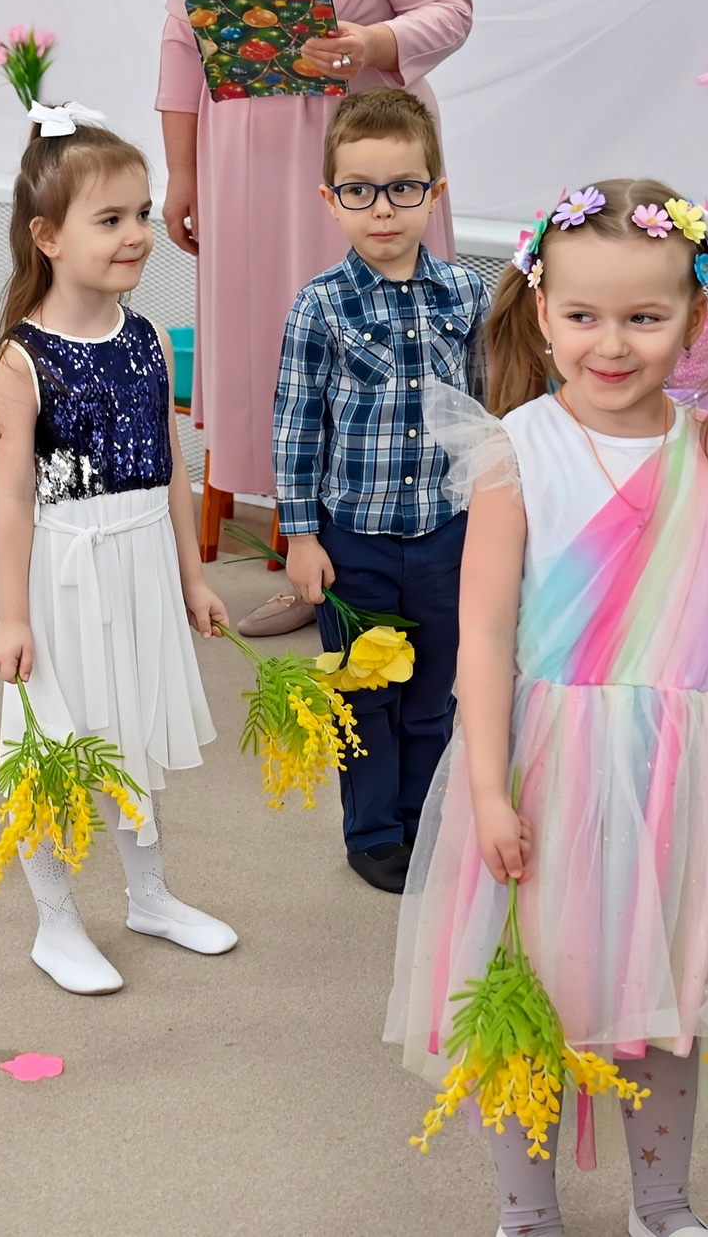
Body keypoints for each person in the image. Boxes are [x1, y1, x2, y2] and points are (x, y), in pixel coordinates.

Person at [388, 181, 708, 1237]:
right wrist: (487, 788)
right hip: (553, 767)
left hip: (694, 772)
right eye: (582, 314)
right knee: (532, 990)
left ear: (696, 315)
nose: (612, 343)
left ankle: (662, 1202)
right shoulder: (517, 449)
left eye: (644, 315)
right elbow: (483, 634)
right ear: (542, 311)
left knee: (671, 992)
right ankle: (526, 1211)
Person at [155, 0, 473, 639]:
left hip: (356, 159)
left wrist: (370, 41)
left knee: (369, 357)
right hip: (240, 166)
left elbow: (451, 10)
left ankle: (399, 559)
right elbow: (179, 40)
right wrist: (182, 175)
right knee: (278, 356)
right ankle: (306, 556)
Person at [0, 108, 236, 996]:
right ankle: (55, 921)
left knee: (134, 728)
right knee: (56, 747)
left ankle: (150, 896)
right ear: (47, 236)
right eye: (111, 219)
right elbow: (13, 501)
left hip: (141, 568)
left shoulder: (149, 338)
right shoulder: (22, 360)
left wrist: (192, 577)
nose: (136, 235)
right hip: (64, 575)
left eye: (142, 214)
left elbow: (172, 468)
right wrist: (13, 616)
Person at [270, 88, 487, 894]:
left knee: (430, 694)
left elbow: (485, 411)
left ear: (435, 193)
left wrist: (492, 521)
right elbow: (296, 427)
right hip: (352, 539)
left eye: (403, 187)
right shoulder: (320, 305)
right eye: (359, 190)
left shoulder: (467, 294)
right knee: (364, 695)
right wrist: (301, 537)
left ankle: (424, 821)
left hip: (444, 534)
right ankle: (372, 833)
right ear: (331, 200)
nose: (383, 208)